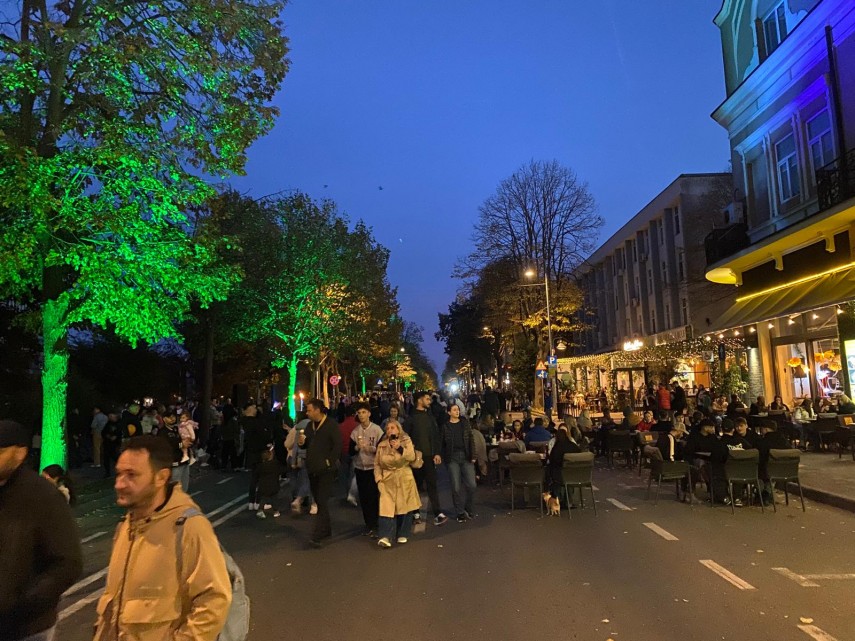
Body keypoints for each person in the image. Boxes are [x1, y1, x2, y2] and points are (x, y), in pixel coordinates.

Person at [93, 435, 231, 641]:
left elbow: (214, 601)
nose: (119, 484)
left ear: (161, 477)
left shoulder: (188, 527)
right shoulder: (127, 525)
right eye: (119, 474)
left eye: (132, 475)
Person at [0, 420, 82, 641]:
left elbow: (68, 562)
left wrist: (22, 605)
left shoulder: (42, 496)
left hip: (27, 628)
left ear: (19, 453)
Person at [374, 419, 421, 547]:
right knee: (386, 508)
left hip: (403, 476)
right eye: (388, 428)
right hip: (387, 479)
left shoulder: (406, 441)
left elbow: (411, 457)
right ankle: (385, 536)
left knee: (404, 506)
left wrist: (399, 448)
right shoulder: (382, 445)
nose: (390, 430)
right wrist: (378, 478)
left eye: (392, 428)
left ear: (398, 429)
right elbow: (377, 463)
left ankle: (402, 533)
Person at [404, 391, 448, 526]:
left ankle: (437, 512)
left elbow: (436, 436)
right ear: (419, 400)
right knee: (415, 485)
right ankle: (415, 512)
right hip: (415, 457)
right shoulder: (411, 419)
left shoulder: (430, 417)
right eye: (427, 399)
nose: (429, 401)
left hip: (429, 457)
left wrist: (437, 453)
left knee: (432, 484)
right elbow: (406, 438)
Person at [304, 399, 342, 548]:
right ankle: (326, 529)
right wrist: (302, 442)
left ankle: (317, 534)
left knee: (322, 498)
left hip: (326, 470)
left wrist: (329, 462)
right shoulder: (309, 426)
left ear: (318, 410)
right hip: (313, 469)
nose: (307, 413)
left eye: (309, 410)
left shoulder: (331, 425)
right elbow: (307, 443)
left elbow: (337, 445)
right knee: (320, 501)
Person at [351, 402, 383, 537]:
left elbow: (382, 450)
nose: (361, 415)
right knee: (363, 498)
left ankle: (376, 524)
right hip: (360, 467)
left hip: (373, 467)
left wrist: (372, 449)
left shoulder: (377, 430)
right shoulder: (355, 431)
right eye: (359, 413)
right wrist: (356, 448)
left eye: (364, 412)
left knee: (373, 497)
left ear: (369, 414)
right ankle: (368, 524)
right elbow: (350, 451)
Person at [442, 404, 477, 522]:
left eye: (458, 409)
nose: (457, 412)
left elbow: (471, 439)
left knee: (472, 485)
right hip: (452, 458)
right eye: (454, 410)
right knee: (456, 487)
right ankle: (460, 512)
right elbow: (442, 442)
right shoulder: (445, 426)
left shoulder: (464, 423)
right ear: (449, 412)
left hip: (466, 456)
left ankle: (468, 507)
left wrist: (473, 455)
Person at [254, 445, 284, 518]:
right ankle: (276, 511)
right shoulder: (275, 464)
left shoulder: (261, 466)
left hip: (263, 485)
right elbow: (281, 470)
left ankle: (260, 510)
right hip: (274, 485)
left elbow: (256, 474)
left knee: (263, 498)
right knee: (274, 498)